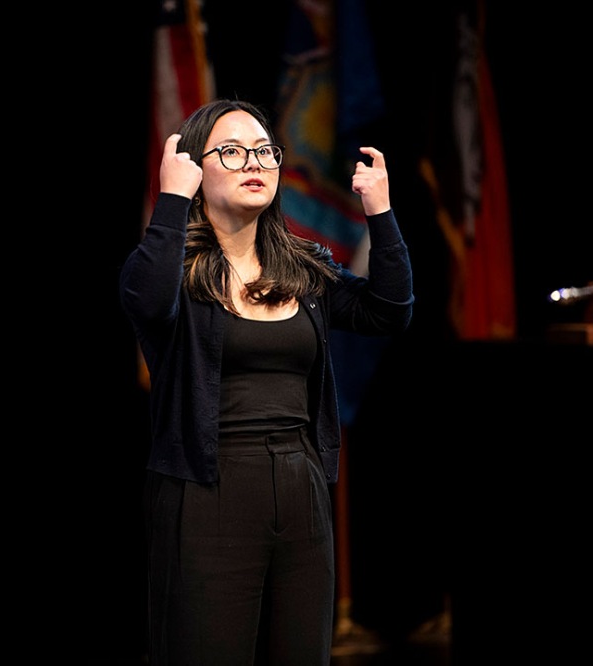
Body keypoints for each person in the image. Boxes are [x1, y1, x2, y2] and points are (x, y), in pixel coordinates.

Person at [119, 98, 414, 665]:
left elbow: (391, 309)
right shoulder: (171, 270)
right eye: (230, 152)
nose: (253, 161)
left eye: (263, 151)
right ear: (193, 168)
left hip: (300, 489)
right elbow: (147, 303)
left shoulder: (305, 267)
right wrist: (172, 200)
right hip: (208, 495)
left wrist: (380, 211)